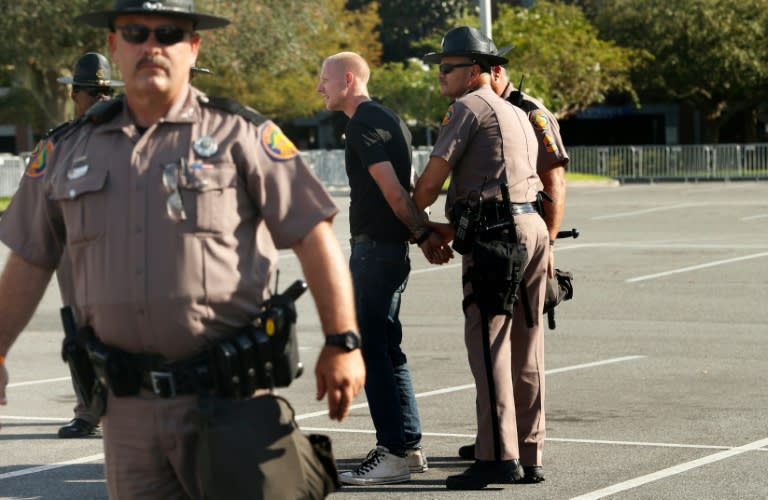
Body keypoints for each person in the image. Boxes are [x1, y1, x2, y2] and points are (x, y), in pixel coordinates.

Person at [0, 1, 365, 498]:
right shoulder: (67, 149)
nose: (151, 45)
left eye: (169, 33)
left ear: (193, 47)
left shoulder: (243, 134)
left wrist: (342, 341)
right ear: (114, 45)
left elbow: (313, 236)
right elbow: (29, 258)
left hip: (228, 400)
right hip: (126, 414)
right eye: (135, 32)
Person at [413, 26, 550, 490]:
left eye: (447, 68)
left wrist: (415, 218)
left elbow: (433, 179)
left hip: (498, 237)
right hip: (530, 228)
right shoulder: (516, 111)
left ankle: (496, 457)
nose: (440, 76)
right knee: (526, 349)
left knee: (488, 345)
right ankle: (529, 454)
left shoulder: (468, 107)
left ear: (474, 71)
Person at [316, 52, 445, 485]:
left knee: (371, 350)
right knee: (389, 349)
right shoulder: (389, 117)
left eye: (325, 80)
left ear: (347, 80)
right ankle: (407, 449)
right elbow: (406, 189)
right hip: (388, 251)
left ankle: (392, 451)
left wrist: (424, 235)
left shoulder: (363, 123)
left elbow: (394, 191)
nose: (320, 89)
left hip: (375, 253)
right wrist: (421, 231)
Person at [455, 45, 570, 468]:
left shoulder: (528, 111)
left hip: (518, 239)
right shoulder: (483, 111)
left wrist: (550, 244)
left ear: (495, 71)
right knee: (509, 346)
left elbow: (553, 179)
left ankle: (510, 447)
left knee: (507, 345)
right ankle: (506, 440)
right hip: (508, 235)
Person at [51, 51, 124, 439]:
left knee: (97, 332)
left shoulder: (111, 134)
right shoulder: (66, 139)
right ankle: (99, 411)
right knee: (96, 331)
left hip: (96, 248)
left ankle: (97, 412)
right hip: (97, 246)